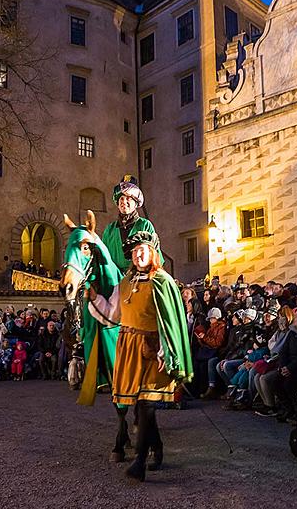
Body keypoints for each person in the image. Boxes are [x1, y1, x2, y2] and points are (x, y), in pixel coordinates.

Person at [87, 231, 192, 482]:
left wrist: (165, 351)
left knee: (147, 404)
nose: (138, 254)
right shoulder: (125, 282)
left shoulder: (163, 282)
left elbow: (171, 322)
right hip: (128, 346)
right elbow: (113, 313)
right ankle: (158, 448)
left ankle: (140, 461)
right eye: (134, 251)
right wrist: (94, 299)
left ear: (153, 252)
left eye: (142, 249)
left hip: (153, 350)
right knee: (141, 404)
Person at [102, 175, 163, 274]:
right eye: (121, 199)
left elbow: (155, 256)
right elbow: (102, 259)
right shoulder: (109, 230)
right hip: (114, 282)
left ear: (136, 203)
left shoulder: (145, 225)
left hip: (141, 276)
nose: (124, 202)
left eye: (128, 199)